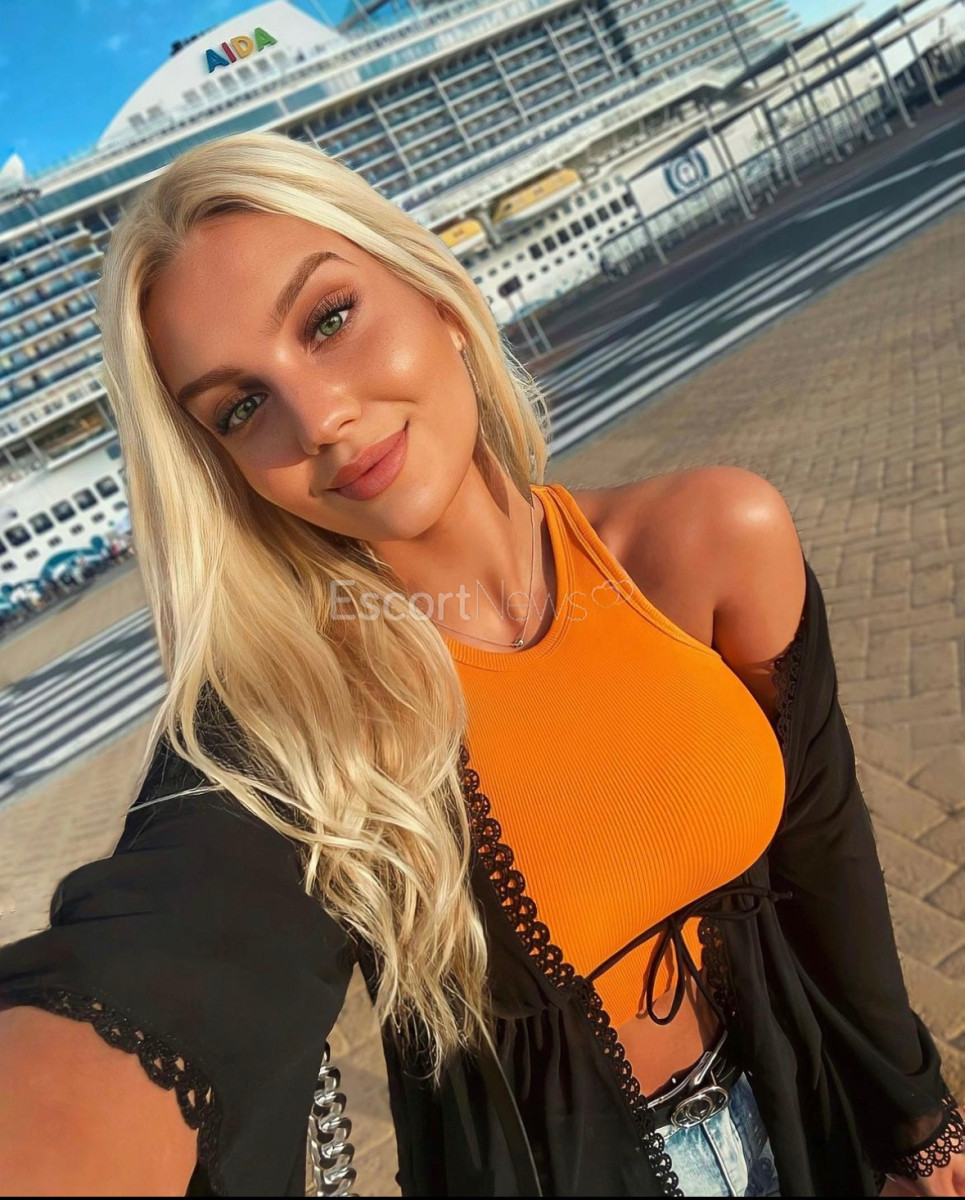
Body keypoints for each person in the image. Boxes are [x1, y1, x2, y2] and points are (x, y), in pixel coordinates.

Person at [0, 129, 961, 1198]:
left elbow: (824, 852)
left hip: (807, 1119)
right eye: (241, 407)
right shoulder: (298, 716)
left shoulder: (708, 540)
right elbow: (172, 940)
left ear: (437, 300)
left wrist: (917, 1122)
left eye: (328, 319)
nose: (319, 420)